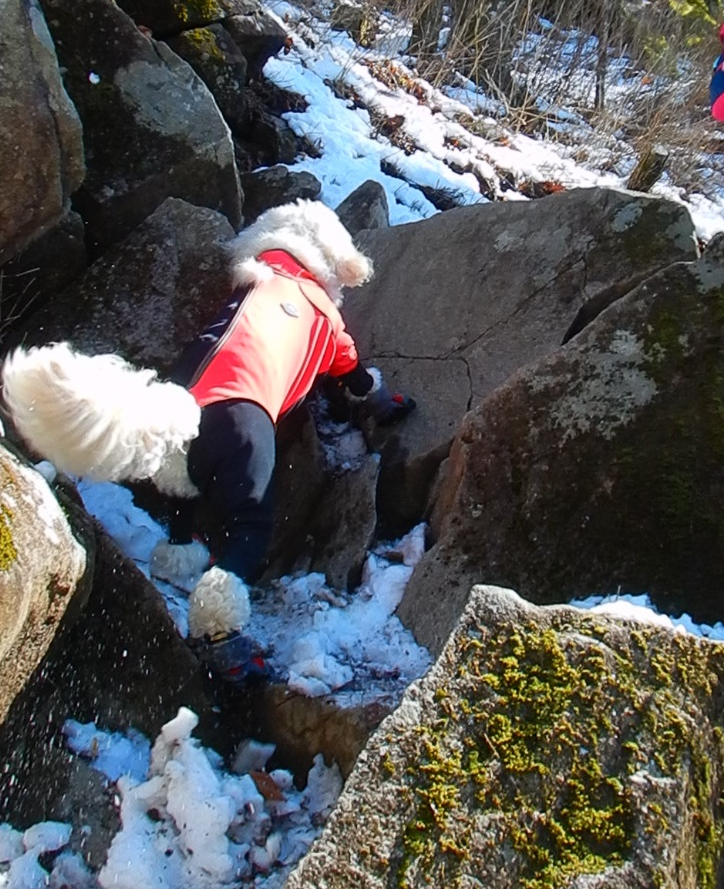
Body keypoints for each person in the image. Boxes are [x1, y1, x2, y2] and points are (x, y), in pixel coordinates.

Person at [2, 200, 415, 683]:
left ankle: (179, 547)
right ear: (333, 259)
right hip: (243, 411)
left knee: (186, 483)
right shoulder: (318, 306)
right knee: (251, 521)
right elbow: (349, 366)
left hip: (182, 401)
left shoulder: (250, 284)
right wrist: (381, 400)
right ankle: (220, 632)